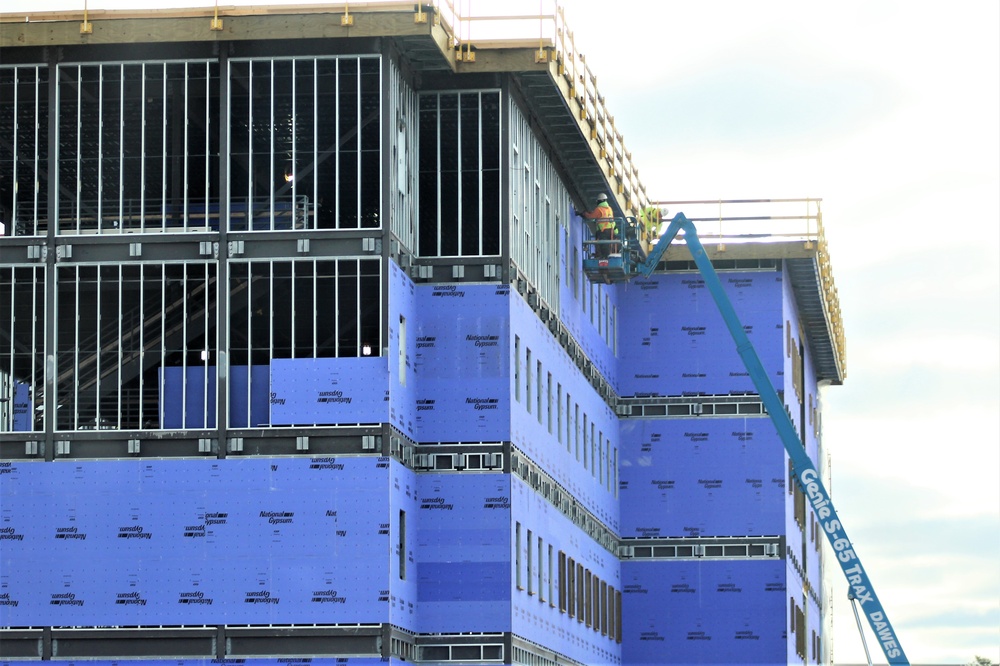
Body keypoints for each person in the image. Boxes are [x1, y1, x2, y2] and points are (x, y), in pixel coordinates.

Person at [578, 193, 616, 258]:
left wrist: (584, 214)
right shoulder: (610, 209)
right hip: (611, 231)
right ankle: (607, 257)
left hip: (602, 231)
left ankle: (602, 258)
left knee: (601, 247)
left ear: (599, 201)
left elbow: (591, 217)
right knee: (609, 247)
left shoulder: (599, 209)